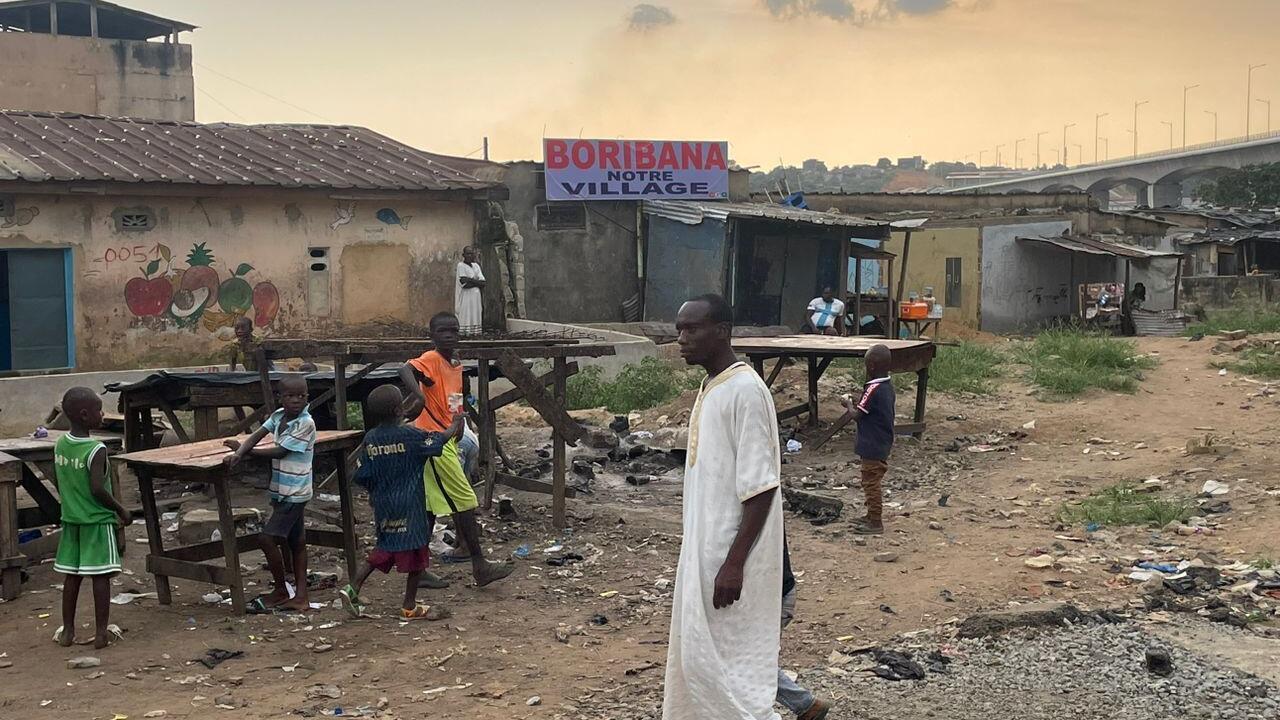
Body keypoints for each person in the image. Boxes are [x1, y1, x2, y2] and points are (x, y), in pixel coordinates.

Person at [663, 293, 785, 720]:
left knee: (732, 669)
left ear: (722, 331)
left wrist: (734, 563)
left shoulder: (746, 390)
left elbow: (761, 487)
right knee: (698, 657)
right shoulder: (710, 387)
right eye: (679, 329)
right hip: (703, 550)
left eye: (692, 329)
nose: (682, 338)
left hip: (730, 557)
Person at [399, 311, 512, 587]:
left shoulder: (455, 364)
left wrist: (459, 419)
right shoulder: (431, 359)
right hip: (434, 441)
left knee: (429, 508)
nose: (449, 336)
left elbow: (452, 398)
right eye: (443, 331)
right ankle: (479, 565)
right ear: (432, 336)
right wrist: (418, 395)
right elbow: (405, 370)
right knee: (465, 499)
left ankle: (418, 571)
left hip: (446, 437)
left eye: (454, 331)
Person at [340, 385, 460, 619]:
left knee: (384, 547)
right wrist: (454, 425)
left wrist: (375, 492)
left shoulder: (371, 438)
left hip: (384, 504)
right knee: (417, 551)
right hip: (410, 505)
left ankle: (352, 587)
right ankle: (409, 605)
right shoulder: (410, 435)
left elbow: (362, 474)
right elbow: (437, 441)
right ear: (398, 410)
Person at [224, 375, 316, 611]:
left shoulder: (305, 423)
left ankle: (281, 590)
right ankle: (301, 597)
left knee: (266, 539)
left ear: (307, 396)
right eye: (290, 396)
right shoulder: (278, 416)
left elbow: (281, 452)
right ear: (280, 397)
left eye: (301, 396)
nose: (296, 400)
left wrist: (247, 453)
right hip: (282, 490)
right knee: (297, 541)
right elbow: (256, 436)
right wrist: (239, 452)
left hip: (296, 491)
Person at [54, 387, 131, 649]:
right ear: (85, 415)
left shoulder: (61, 444)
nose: (103, 414)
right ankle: (100, 634)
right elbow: (98, 489)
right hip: (96, 521)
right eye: (99, 410)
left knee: (72, 576)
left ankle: (68, 632)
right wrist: (120, 510)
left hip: (71, 520)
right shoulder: (96, 449)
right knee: (101, 576)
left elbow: (62, 481)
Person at [837, 345, 894, 535]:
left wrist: (848, 404)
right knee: (871, 479)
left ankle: (876, 521)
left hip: (871, 443)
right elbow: (868, 406)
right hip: (882, 440)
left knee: (870, 482)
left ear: (870, 366)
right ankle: (870, 515)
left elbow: (857, 415)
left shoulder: (873, 388)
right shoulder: (887, 386)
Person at [776, 541, 832, 720]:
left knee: (743, 660)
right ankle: (806, 705)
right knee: (743, 659)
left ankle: (806, 704)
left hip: (771, 597)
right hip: (775, 594)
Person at [455, 246, 486, 333]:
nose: (470, 256)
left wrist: (470, 279)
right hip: (466, 296)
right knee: (466, 314)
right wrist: (476, 282)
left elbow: (483, 283)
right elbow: (464, 284)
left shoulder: (476, 266)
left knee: (475, 314)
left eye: (471, 254)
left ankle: (475, 332)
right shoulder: (461, 266)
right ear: (463, 255)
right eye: (468, 254)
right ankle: (465, 332)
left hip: (476, 297)